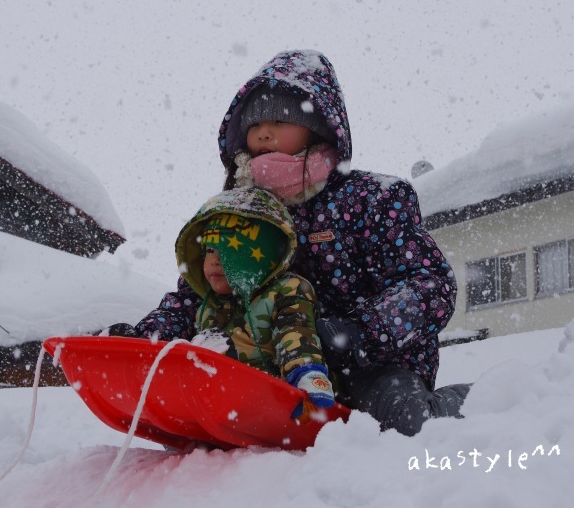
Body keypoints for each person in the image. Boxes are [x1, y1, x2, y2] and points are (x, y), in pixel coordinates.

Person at [113, 49, 469, 436]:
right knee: (194, 424)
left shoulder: (373, 198)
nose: (264, 132)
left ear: (318, 128)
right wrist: (148, 338)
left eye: (282, 119)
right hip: (275, 369)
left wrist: (359, 332)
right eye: (255, 123)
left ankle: (484, 402)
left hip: (372, 367)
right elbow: (198, 294)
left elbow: (431, 283)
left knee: (405, 425)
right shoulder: (239, 215)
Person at [174, 186, 334, 408]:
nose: (214, 261)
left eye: (229, 251)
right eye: (210, 250)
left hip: (273, 394)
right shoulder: (208, 305)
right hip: (218, 396)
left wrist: (305, 372)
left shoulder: (287, 289)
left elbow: (296, 332)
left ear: (259, 256)